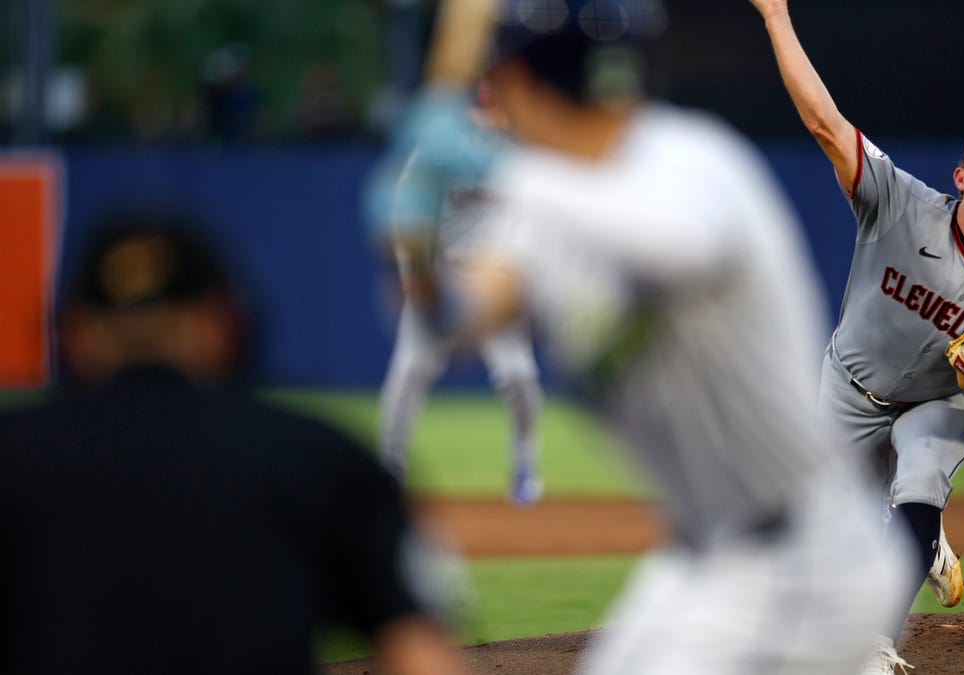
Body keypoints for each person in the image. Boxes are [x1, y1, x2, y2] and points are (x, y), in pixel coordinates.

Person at [394, 1, 914, 672]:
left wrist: (499, 174)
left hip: (808, 555)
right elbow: (460, 317)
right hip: (700, 557)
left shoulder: (687, 159)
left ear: (519, 86)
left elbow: (681, 245)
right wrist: (410, 231)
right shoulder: (542, 208)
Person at [0, 210, 467, 675]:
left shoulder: (14, 454)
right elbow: (420, 653)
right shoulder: (319, 456)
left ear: (73, 329)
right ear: (220, 322)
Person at [744, 1, 964, 671]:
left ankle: (877, 639)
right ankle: (917, 537)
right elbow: (826, 126)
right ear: (961, 177)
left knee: (919, 482)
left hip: (942, 397)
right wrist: (776, 16)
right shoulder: (900, 203)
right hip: (849, 384)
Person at [364, 83, 545, 506]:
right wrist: (411, 267)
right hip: (441, 273)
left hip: (493, 279)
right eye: (484, 104)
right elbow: (404, 204)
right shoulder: (439, 148)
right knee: (409, 371)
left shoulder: (521, 155)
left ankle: (524, 466)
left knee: (519, 376)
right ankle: (390, 466)